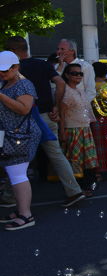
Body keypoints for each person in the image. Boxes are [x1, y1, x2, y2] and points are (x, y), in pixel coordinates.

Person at [4, 36, 87, 207]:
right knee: (56, 154)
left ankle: (11, 196)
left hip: (22, 121)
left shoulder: (11, 69)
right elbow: (59, 82)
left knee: (16, 158)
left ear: (12, 52)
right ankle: (74, 191)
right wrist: (54, 105)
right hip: (46, 116)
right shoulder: (42, 64)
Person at [0, 51, 42, 230]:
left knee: (18, 175)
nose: (1, 73)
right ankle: (21, 211)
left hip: (21, 135)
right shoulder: (6, 83)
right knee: (13, 174)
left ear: (16, 67)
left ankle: (26, 215)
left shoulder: (24, 84)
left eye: (5, 70)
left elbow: (24, 109)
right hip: (11, 135)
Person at [58, 63, 98, 193]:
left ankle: (87, 186)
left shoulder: (79, 90)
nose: (78, 76)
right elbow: (62, 113)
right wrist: (62, 132)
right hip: (73, 129)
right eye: (74, 73)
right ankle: (78, 188)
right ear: (67, 75)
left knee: (89, 160)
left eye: (80, 73)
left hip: (85, 128)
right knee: (76, 161)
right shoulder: (66, 92)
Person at [56, 39, 96, 106]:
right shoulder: (57, 66)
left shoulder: (85, 66)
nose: (59, 51)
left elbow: (90, 90)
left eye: (62, 49)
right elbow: (53, 86)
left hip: (79, 107)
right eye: (58, 49)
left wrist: (81, 106)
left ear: (72, 51)